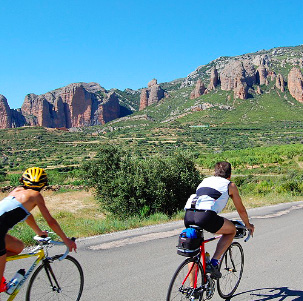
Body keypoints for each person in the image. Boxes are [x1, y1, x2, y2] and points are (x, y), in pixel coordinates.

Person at [0, 167, 77, 292]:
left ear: (23, 180)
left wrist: (39, 232)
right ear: (43, 185)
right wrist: (66, 240)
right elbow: (51, 221)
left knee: (18, 246)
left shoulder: (17, 190)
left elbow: (26, 214)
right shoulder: (36, 195)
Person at [184, 161, 254, 278]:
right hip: (206, 216)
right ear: (230, 175)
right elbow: (241, 209)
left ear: (214, 172)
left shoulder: (205, 181)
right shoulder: (230, 185)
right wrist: (248, 225)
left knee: (194, 254)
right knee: (231, 230)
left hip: (189, 214)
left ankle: (193, 291)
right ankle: (214, 263)